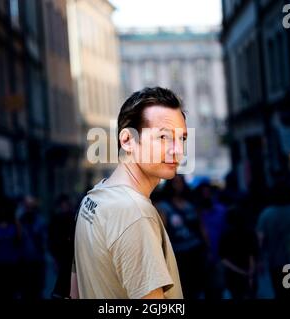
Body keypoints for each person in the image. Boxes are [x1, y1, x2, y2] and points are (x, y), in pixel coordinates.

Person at [71, 87, 185, 299]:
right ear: (127, 141)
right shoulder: (134, 212)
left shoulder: (93, 198)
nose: (177, 149)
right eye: (163, 137)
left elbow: (74, 291)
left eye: (182, 139)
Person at [156, 175, 207, 299]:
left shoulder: (190, 204)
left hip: (195, 250)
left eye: (180, 182)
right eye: (175, 183)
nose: (178, 185)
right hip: (178, 254)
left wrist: (207, 246)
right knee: (184, 289)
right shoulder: (163, 207)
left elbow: (200, 227)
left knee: (198, 288)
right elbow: (162, 233)